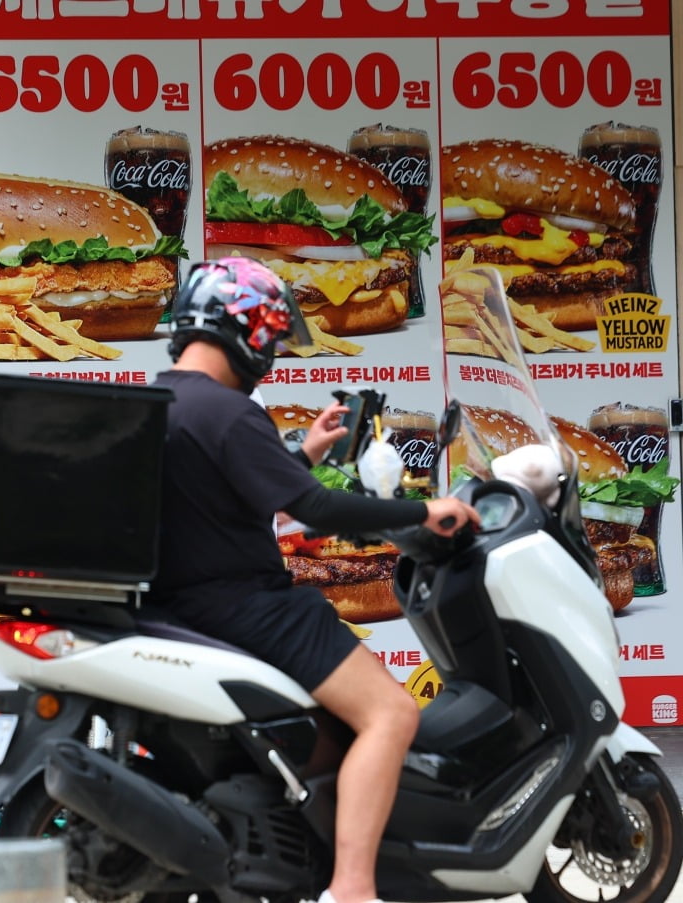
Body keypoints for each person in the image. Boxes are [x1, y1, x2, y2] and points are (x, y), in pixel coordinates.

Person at [146, 257, 479, 903]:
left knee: (333, 733)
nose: (270, 355)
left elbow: (223, 497)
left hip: (186, 607)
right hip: (252, 609)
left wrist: (302, 455)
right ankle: (353, 889)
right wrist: (423, 510)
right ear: (248, 330)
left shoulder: (164, 400)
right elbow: (317, 510)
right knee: (390, 712)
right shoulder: (229, 410)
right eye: (272, 338)